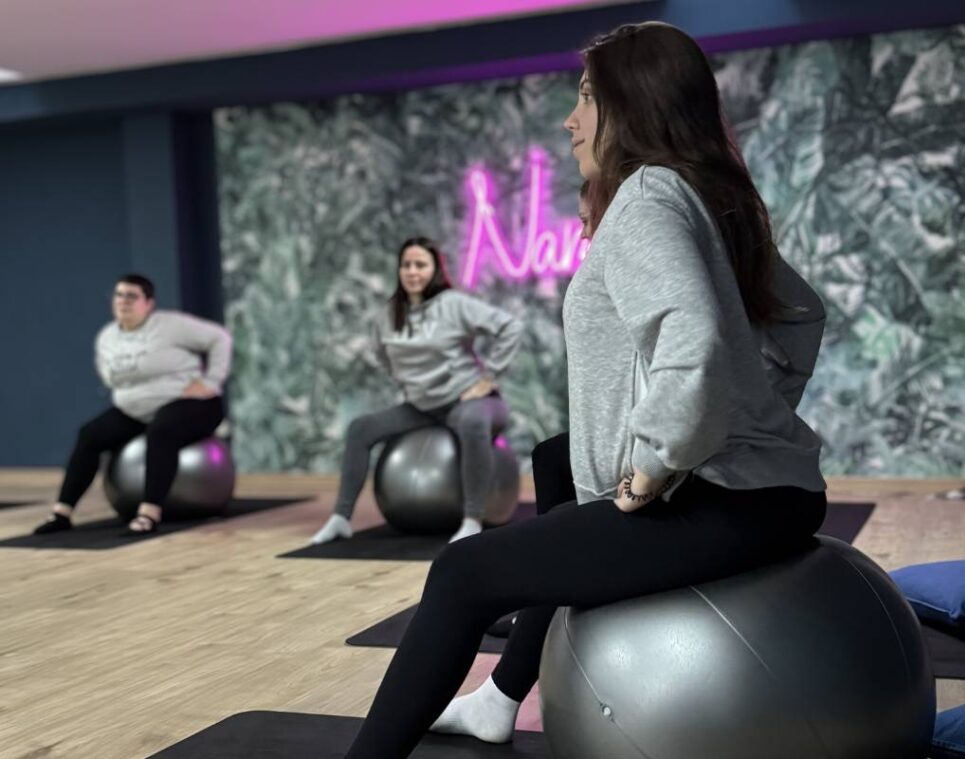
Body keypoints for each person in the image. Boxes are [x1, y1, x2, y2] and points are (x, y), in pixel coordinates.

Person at [343, 22, 827, 758]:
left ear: (633, 103)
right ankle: (502, 698)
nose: (571, 118)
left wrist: (663, 459)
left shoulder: (645, 195)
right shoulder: (707, 192)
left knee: (462, 572)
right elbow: (801, 314)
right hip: (776, 490)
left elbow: (690, 336)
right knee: (556, 459)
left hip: (728, 499)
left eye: (587, 97)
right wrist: (753, 415)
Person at [310, 237, 524, 545]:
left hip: (470, 401)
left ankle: (472, 519)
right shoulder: (389, 314)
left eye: (421, 265)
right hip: (423, 407)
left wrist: (489, 378)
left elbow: (510, 327)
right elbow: (381, 355)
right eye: (407, 265)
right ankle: (340, 518)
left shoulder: (453, 304)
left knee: (473, 423)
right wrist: (410, 382)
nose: (413, 271)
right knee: (360, 429)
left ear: (435, 269)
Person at [34, 274, 232, 536]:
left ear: (148, 303)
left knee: (161, 431)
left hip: (192, 403)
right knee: (89, 434)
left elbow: (220, 338)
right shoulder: (107, 337)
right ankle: (62, 512)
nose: (123, 301)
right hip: (135, 411)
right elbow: (111, 377)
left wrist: (212, 380)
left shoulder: (170, 325)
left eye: (131, 296)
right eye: (119, 295)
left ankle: (149, 514)